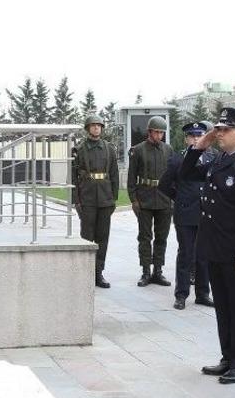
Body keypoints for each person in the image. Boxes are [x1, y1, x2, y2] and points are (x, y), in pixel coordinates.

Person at [176, 107, 235, 383]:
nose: (220, 134)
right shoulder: (219, 161)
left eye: (225, 130)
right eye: (219, 129)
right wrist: (199, 147)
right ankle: (228, 357)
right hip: (214, 247)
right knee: (224, 306)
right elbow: (186, 174)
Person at [158, 121, 215, 310]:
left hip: (206, 214)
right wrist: (180, 198)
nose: (196, 139)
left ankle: (203, 293)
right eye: (192, 136)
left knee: (204, 255)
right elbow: (164, 185)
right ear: (186, 139)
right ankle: (181, 294)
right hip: (185, 214)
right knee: (186, 254)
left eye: (199, 135)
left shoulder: (212, 157)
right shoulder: (178, 159)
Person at [72, 114, 120, 288]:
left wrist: (113, 198)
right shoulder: (80, 149)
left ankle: (98, 272)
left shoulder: (109, 149)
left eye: (98, 126)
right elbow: (73, 178)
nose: (96, 128)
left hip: (105, 198)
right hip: (87, 197)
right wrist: (76, 201)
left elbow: (114, 174)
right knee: (86, 237)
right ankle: (85, 273)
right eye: (92, 126)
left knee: (102, 237)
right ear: (87, 128)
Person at [128, 116, 173, 287]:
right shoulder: (138, 150)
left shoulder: (168, 150)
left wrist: (172, 199)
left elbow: (173, 176)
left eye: (162, 132)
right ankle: (146, 271)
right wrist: (134, 200)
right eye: (156, 132)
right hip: (144, 199)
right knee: (145, 237)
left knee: (162, 237)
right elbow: (132, 177)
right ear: (149, 132)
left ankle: (158, 271)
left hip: (163, 199)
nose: (159, 135)